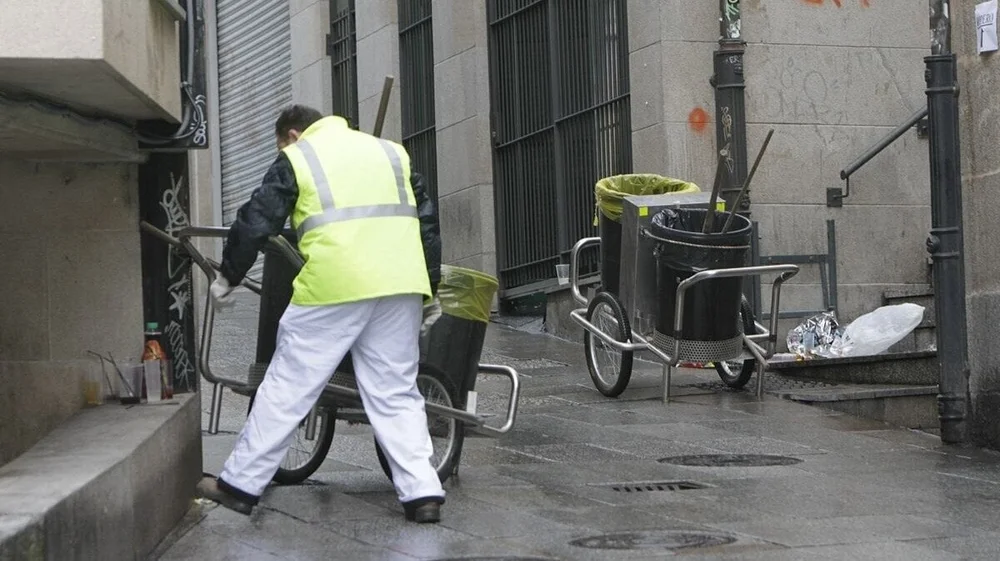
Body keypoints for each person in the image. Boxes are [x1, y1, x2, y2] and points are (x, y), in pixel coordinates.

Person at [195, 105, 446, 523]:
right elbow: (426, 224)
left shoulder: (300, 157)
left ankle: (239, 485)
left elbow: (258, 219)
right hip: (400, 284)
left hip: (336, 284)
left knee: (288, 385)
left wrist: (227, 277)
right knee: (396, 391)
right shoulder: (390, 152)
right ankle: (423, 494)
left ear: (292, 135)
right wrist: (430, 289)